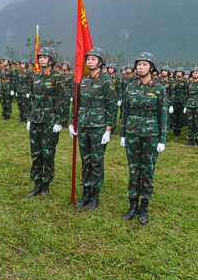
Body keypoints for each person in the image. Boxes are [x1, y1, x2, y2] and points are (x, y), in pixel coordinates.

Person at [119, 52, 168, 225]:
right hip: (132, 132)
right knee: (133, 169)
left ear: (151, 67)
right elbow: (124, 111)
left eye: (144, 64)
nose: (140, 67)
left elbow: (162, 114)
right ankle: (132, 205)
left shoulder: (159, 89)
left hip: (151, 134)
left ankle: (144, 207)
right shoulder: (130, 87)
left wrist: (162, 139)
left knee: (147, 170)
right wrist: (123, 133)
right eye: (139, 64)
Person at [69, 47, 116, 210]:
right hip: (83, 123)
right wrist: (71, 121)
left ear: (100, 62)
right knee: (85, 159)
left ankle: (95, 195)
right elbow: (77, 101)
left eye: (93, 59)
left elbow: (111, 106)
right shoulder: (83, 79)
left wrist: (109, 129)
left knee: (96, 160)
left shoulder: (106, 81)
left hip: (99, 125)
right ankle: (85, 193)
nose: (89, 62)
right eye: (88, 59)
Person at [26, 47, 64, 197]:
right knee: (36, 152)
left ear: (52, 59)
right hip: (36, 118)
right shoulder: (35, 76)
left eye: (45, 57)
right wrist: (30, 117)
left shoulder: (57, 77)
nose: (42, 59)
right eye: (40, 57)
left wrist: (59, 121)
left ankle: (46, 185)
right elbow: (32, 98)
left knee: (48, 152)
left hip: (49, 119)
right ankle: (37, 183)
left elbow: (60, 100)